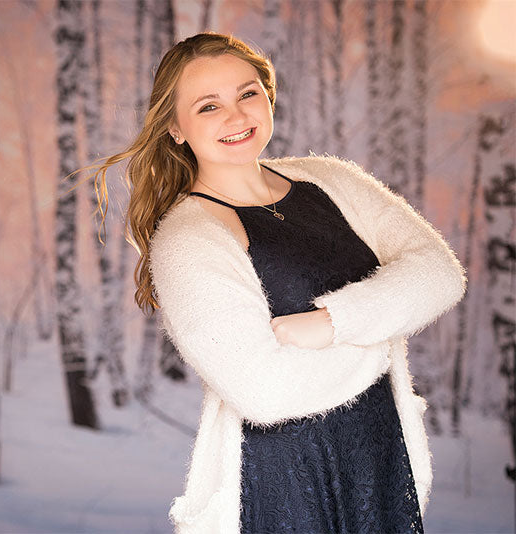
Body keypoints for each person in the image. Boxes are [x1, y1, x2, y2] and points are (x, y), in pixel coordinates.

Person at [79, 32, 467, 533]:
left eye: (247, 94)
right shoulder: (190, 239)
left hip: (381, 464)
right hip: (283, 485)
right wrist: (382, 334)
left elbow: (439, 273)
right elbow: (264, 390)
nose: (236, 116)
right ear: (175, 127)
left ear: (268, 95)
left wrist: (334, 323)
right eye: (208, 106)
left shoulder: (330, 180)